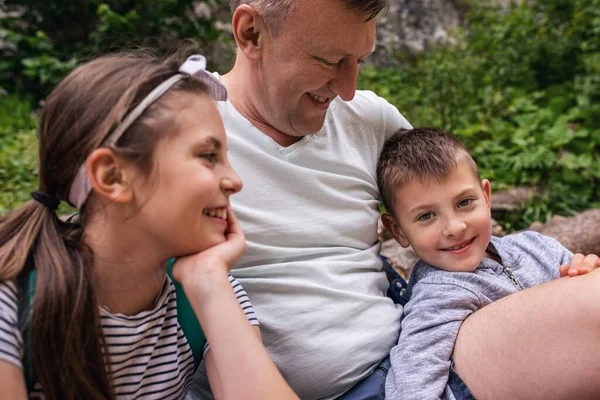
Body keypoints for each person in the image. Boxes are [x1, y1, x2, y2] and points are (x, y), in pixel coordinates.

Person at [192, 0, 600, 399]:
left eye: (360, 61)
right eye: (330, 61)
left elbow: (451, 201)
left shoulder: (369, 120)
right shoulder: (177, 130)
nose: (349, 90)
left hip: (426, 360)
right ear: (251, 33)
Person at [0, 51, 298, 400]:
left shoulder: (206, 291)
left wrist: (209, 283)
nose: (235, 181)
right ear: (113, 176)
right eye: (208, 156)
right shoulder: (15, 301)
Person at [377, 127, 600, 399]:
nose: (455, 227)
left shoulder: (536, 246)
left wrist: (584, 268)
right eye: (426, 216)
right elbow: (412, 383)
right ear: (397, 230)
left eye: (465, 202)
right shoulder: (437, 294)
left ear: (486, 196)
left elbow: (579, 280)